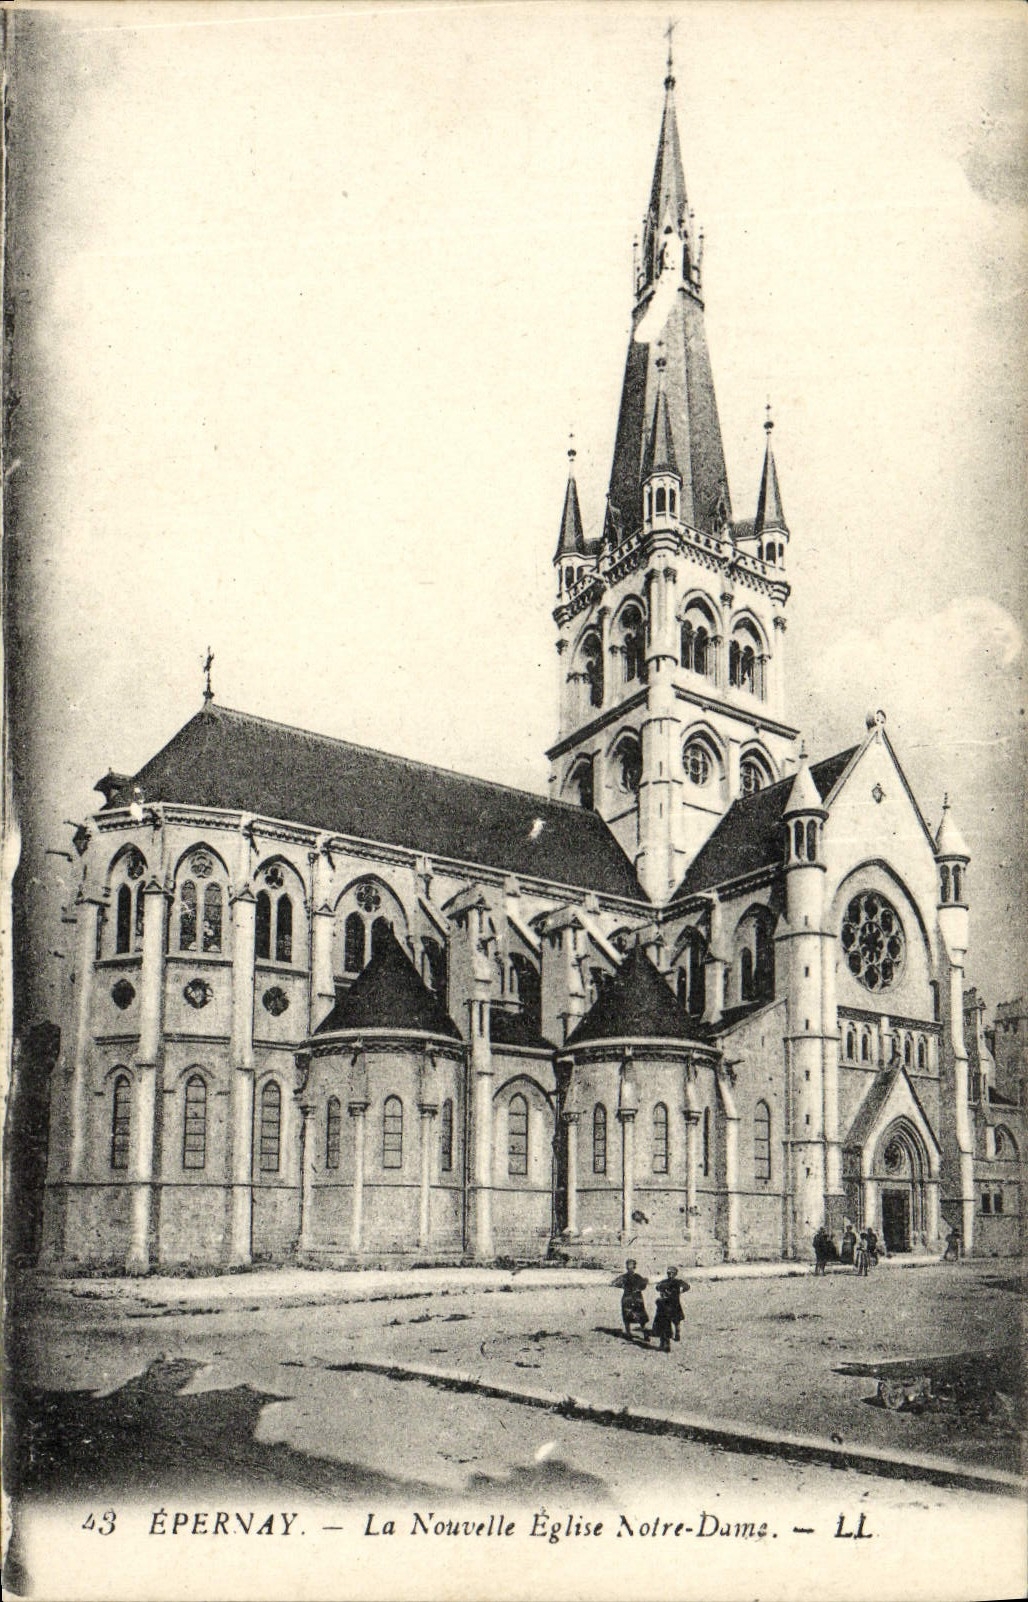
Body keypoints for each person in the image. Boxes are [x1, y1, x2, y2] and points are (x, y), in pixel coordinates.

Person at [612, 1259, 650, 1341]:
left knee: (641, 1316)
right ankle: (628, 1333)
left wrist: (642, 1285)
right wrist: (622, 1286)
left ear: (634, 1267)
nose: (629, 1267)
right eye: (628, 1265)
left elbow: (643, 1285)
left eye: (631, 1265)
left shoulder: (637, 1276)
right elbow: (614, 1283)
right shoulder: (623, 1277)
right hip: (628, 1298)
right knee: (627, 1316)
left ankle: (645, 1334)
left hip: (637, 1298)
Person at [655, 1267, 690, 1341]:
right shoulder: (664, 1281)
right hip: (667, 1304)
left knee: (676, 1321)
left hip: (675, 1303)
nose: (670, 1275)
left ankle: (677, 1334)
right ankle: (669, 1334)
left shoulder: (678, 1282)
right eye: (669, 1273)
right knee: (668, 1320)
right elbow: (657, 1287)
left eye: (672, 1273)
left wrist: (681, 1291)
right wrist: (661, 1289)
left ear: (675, 1274)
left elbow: (687, 1286)